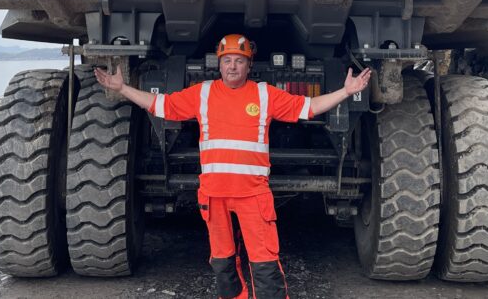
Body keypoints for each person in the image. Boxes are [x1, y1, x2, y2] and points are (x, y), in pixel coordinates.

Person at [94, 33, 372, 299]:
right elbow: (160, 104)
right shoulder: (202, 93)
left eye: (239, 60)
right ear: (219, 64)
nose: (232, 66)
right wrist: (123, 89)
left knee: (264, 264)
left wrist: (345, 92)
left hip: (252, 196)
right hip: (214, 196)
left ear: (249, 65)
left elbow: (309, 107)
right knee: (222, 263)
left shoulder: (264, 95)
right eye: (227, 60)